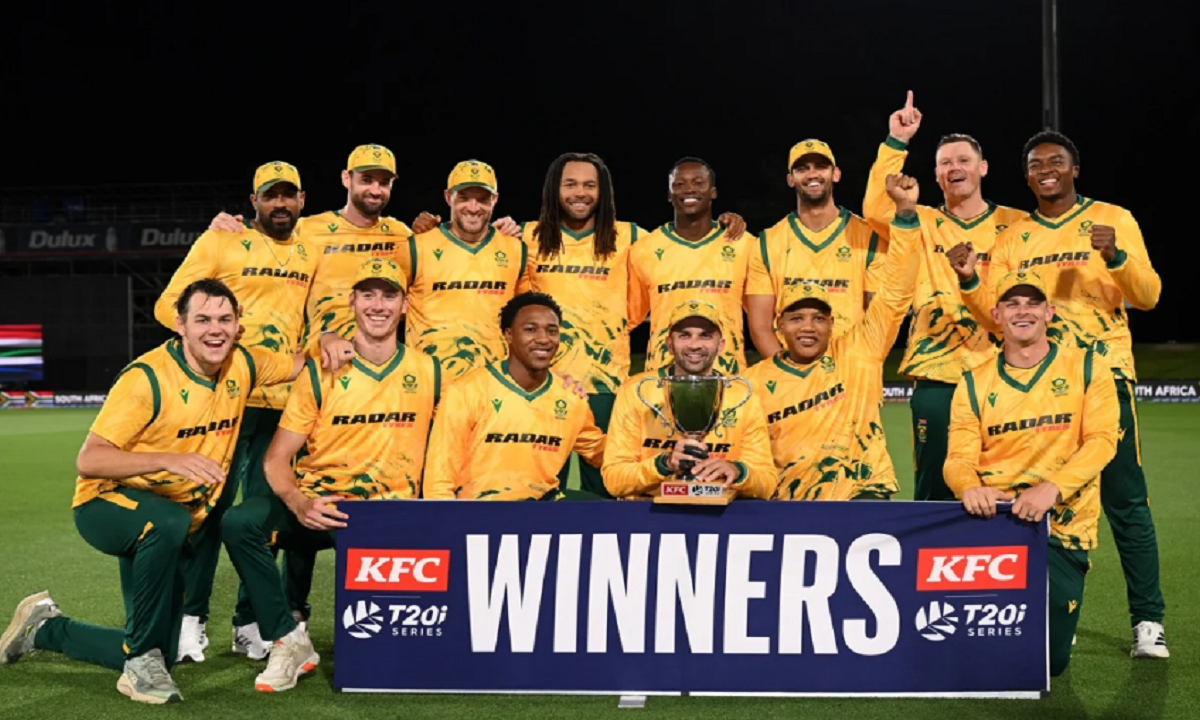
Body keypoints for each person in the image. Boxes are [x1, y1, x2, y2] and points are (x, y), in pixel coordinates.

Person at [0, 279, 305, 704]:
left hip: (168, 518)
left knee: (164, 648)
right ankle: (140, 667)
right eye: (202, 319)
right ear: (180, 324)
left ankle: (46, 629)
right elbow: (90, 459)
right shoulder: (146, 378)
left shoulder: (244, 363)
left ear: (238, 325)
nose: (215, 329)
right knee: (167, 523)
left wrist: (329, 341)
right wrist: (167, 459)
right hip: (107, 505)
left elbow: (300, 363)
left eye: (224, 319)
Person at [952, 131, 1168, 659]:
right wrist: (969, 281)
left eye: (1056, 161)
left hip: (1101, 375)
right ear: (1026, 176)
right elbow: (996, 315)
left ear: (1075, 169)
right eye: (1035, 164)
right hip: (1034, 381)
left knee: (1124, 500)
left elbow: (1149, 295)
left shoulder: (1113, 218)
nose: (1045, 169)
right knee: (1033, 491)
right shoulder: (1014, 237)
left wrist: (1115, 255)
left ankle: (1148, 620)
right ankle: (1054, 608)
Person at [206, 144, 420, 658]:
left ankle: (306, 614)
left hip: (383, 375)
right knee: (298, 490)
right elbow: (269, 237)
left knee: (344, 482)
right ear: (347, 179)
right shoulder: (310, 228)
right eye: (366, 179)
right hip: (316, 372)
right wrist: (226, 228)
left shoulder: (403, 236)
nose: (374, 188)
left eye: (383, 181)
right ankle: (274, 616)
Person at [220, 258, 438, 692]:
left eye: (389, 295)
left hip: (386, 510)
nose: (378, 305)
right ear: (351, 302)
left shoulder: (430, 370)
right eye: (368, 295)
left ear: (404, 304)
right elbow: (276, 458)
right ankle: (288, 639)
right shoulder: (320, 372)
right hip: (322, 504)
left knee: (391, 659)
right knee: (239, 522)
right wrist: (299, 502)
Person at [153, 161, 316, 663]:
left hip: (280, 404)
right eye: (270, 195)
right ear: (254, 202)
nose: (280, 204)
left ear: (302, 200)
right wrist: (211, 346)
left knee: (262, 523)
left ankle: (250, 623)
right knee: (206, 512)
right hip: (223, 401)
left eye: (288, 195)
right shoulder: (222, 240)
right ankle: (190, 622)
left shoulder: (312, 247)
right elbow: (167, 307)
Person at [945, 269, 1119, 676]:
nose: (1023, 311)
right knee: (969, 653)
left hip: (1062, 525)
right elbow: (957, 459)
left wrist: (1052, 489)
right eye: (1012, 304)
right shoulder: (972, 382)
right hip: (993, 523)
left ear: (1049, 312)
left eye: (1032, 303)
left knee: (1047, 663)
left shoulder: (1088, 367)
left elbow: (1102, 442)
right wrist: (968, 487)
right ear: (996, 315)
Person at [861, 91, 1027, 502]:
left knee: (1005, 483)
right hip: (937, 375)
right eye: (945, 163)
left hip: (1004, 372)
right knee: (935, 492)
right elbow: (875, 207)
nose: (955, 168)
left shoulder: (1018, 224)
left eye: (963, 160)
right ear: (936, 175)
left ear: (983, 168)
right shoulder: (920, 220)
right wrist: (896, 142)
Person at [746, 174, 922, 500]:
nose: (808, 327)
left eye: (818, 318)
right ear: (779, 325)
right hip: (788, 502)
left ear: (831, 323)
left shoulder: (860, 351)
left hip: (861, 493)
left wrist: (906, 214)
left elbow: (897, 289)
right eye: (796, 318)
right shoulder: (754, 382)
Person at [424, 292, 605, 500]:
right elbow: (439, 478)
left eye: (552, 331)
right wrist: (445, 517)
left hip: (539, 510)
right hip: (479, 512)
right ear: (509, 335)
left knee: (594, 508)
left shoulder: (570, 397)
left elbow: (601, 452)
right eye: (530, 330)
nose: (543, 339)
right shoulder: (466, 392)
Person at [602, 299, 775, 500]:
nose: (694, 345)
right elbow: (614, 480)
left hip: (719, 510)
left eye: (705, 336)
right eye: (684, 336)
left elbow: (767, 482)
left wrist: (738, 471)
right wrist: (663, 464)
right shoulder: (635, 390)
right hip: (651, 509)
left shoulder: (742, 395)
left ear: (721, 345)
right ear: (669, 344)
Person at [746, 139, 886, 358]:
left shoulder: (869, 238)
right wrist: (789, 370)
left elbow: (878, 320)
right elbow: (760, 327)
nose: (812, 174)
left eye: (820, 167)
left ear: (836, 174)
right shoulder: (767, 243)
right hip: (790, 367)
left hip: (852, 364)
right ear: (790, 179)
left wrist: (855, 367)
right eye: (802, 169)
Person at [397, 160, 529, 382]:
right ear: (448, 197)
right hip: (429, 385)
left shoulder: (515, 250)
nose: (473, 207)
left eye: (483, 199)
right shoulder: (415, 247)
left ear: (495, 199)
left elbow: (526, 320)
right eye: (464, 198)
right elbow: (383, 309)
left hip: (495, 385)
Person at [629, 158, 753, 376]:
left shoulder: (743, 244)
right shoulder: (644, 249)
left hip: (727, 376)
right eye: (679, 184)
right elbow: (627, 317)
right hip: (663, 378)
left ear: (713, 192)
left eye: (698, 183)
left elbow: (763, 315)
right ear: (669, 195)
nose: (689, 189)